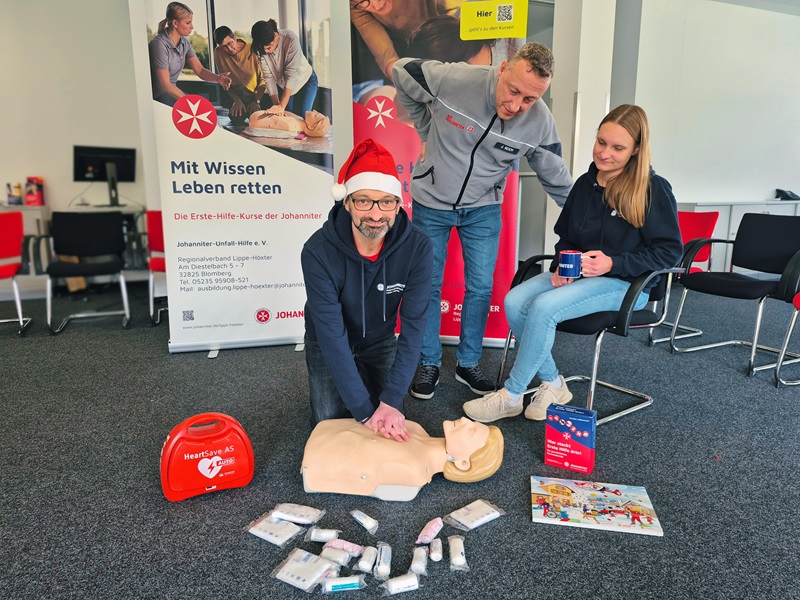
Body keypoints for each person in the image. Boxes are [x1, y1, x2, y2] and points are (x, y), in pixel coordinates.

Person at [462, 104, 683, 423]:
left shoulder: (652, 188)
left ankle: (511, 395)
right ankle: (552, 384)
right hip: (580, 275)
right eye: (601, 142)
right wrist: (562, 267)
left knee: (543, 307)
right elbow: (566, 236)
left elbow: (669, 253)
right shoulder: (585, 183)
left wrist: (613, 263)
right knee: (514, 301)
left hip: (628, 284)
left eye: (618, 148)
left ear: (636, 149)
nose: (604, 153)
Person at [392, 42, 574, 400]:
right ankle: (429, 361)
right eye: (514, 91)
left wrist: (591, 221)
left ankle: (468, 362)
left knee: (480, 287)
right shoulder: (454, 79)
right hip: (432, 202)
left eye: (530, 99)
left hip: (483, 208)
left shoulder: (539, 124)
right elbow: (401, 70)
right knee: (427, 284)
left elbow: (558, 179)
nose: (516, 105)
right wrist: (427, 129)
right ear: (503, 68)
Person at [301, 138, 433, 443]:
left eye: (386, 201)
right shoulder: (317, 252)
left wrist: (389, 401)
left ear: (399, 205)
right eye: (363, 200)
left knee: (392, 416)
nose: (375, 213)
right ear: (346, 202)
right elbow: (332, 337)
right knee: (327, 424)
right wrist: (363, 410)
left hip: (379, 339)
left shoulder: (418, 247)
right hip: (327, 342)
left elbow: (414, 328)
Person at [301, 417, 503, 501]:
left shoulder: (413, 472)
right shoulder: (415, 428)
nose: (465, 420)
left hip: (317, 462)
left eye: (471, 431)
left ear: (462, 463)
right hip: (326, 434)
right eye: (472, 423)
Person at [350, 0, 464, 81]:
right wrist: (405, 83)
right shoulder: (355, 7)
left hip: (455, 36)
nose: (376, 5)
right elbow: (386, 57)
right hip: (415, 49)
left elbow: (459, 26)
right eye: (362, 1)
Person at [148, 2, 231, 106]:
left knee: (203, 109)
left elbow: (200, 71)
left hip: (172, 93)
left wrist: (218, 78)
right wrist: (189, 103)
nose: (192, 27)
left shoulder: (184, 43)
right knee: (195, 110)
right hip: (157, 96)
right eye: (188, 23)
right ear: (175, 23)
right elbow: (165, 85)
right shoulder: (159, 44)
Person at [251, 19, 318, 117]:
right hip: (284, 85)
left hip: (305, 81)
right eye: (263, 50)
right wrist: (277, 105)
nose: (266, 52)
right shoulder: (261, 49)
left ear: (276, 35)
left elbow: (291, 75)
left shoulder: (290, 39)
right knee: (285, 118)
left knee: (302, 118)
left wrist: (282, 106)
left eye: (269, 48)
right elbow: (269, 78)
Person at [212, 26, 265, 125]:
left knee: (258, 121)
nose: (229, 49)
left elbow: (264, 80)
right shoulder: (218, 52)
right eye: (224, 46)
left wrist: (256, 101)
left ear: (235, 38)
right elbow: (225, 82)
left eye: (230, 43)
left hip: (258, 94)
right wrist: (236, 100)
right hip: (239, 95)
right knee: (236, 118)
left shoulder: (252, 49)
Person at [245, 109, 330, 138]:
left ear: (312, 127)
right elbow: (281, 111)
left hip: (255, 120)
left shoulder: (291, 126)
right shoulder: (299, 119)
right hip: (256, 117)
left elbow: (272, 122)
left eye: (315, 115)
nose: (314, 111)